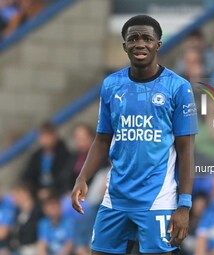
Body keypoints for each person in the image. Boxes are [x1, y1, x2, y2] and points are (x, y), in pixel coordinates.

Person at [71, 15, 198, 255]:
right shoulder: (111, 85)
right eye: (133, 39)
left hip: (158, 200)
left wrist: (184, 205)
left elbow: (186, 150)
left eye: (147, 38)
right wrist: (82, 178)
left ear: (158, 45)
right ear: (125, 46)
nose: (140, 44)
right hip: (116, 198)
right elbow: (102, 139)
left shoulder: (178, 87)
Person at [22, 122, 71, 200]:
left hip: (58, 192)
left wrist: (51, 190)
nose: (44, 139)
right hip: (38, 193)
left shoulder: (64, 154)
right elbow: (27, 176)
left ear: (54, 136)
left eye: (47, 135)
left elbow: (64, 177)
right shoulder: (36, 156)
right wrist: (36, 191)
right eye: (42, 136)